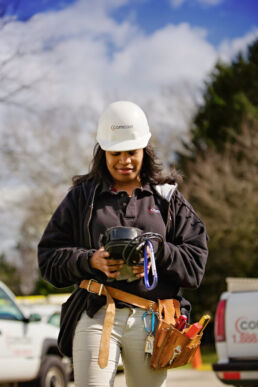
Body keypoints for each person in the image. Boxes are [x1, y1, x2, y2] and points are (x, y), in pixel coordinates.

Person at [38, 100, 208, 387]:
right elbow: (48, 258)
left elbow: (195, 264)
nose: (124, 160)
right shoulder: (82, 197)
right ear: (103, 152)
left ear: (145, 150)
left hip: (152, 321)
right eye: (115, 153)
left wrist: (159, 252)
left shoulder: (167, 198)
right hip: (96, 312)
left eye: (132, 152)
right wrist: (90, 260)